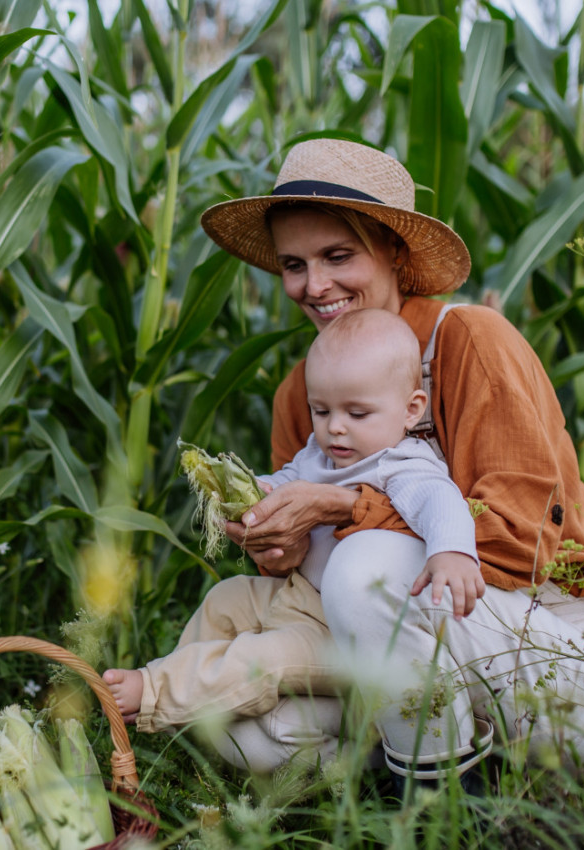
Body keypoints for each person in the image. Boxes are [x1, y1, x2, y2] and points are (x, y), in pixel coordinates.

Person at [164, 138, 584, 782]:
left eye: (337, 255)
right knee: (248, 737)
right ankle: (449, 754)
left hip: (574, 662)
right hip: (415, 646)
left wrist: (345, 507)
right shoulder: (304, 392)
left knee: (364, 569)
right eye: (293, 264)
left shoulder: (470, 340)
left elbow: (522, 541)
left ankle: (438, 802)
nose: (314, 286)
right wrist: (277, 541)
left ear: (394, 253)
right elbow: (309, 566)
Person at [103, 309, 484, 764]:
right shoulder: (320, 454)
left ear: (411, 410)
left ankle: (155, 690)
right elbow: (281, 481)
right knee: (226, 599)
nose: (335, 427)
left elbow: (441, 502)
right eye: (321, 411)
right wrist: (248, 493)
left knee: (266, 659)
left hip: (344, 632)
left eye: (357, 412)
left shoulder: (401, 464)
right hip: (300, 597)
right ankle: (194, 713)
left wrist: (452, 552)